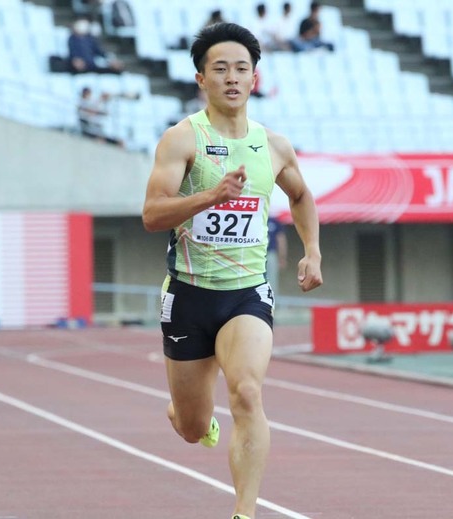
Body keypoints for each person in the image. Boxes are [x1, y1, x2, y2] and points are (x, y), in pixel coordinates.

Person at [141, 22, 323, 519]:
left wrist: (313, 250)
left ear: (254, 78)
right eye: (220, 69)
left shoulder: (274, 145)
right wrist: (209, 196)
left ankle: (245, 513)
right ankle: (186, 414)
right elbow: (153, 214)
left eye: (241, 68)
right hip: (190, 294)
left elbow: (302, 196)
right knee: (192, 427)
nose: (232, 78)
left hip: (246, 294)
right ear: (202, 78)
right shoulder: (183, 140)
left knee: (246, 391)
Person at [265, 215, 288, 293]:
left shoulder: (274, 221)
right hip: (257, 253)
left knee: (271, 279)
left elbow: (281, 240)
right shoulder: (257, 218)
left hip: (270, 252)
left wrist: (282, 257)